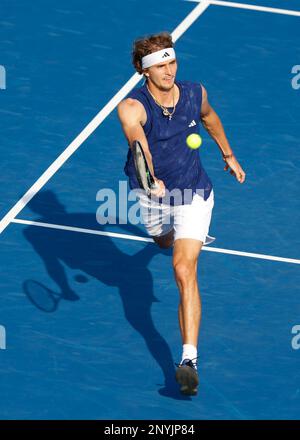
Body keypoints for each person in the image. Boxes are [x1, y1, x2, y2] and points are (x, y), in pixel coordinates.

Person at [117, 31, 246, 396]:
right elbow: (135, 135)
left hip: (194, 193)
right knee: (160, 240)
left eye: (172, 62)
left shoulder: (194, 92)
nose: (169, 70)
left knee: (182, 268)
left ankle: (188, 358)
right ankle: (168, 236)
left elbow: (210, 117)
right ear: (145, 72)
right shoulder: (132, 106)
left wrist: (228, 155)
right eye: (160, 65)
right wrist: (149, 173)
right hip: (152, 195)